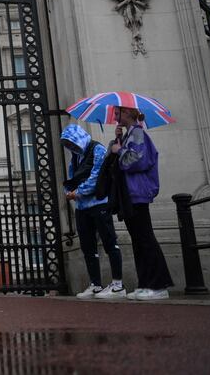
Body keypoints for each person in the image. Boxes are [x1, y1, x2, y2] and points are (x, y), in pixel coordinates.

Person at [109, 107, 174, 300]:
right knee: (138, 241)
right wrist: (118, 141)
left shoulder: (138, 133)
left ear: (128, 113)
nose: (115, 117)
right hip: (130, 194)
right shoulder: (130, 135)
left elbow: (137, 161)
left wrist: (119, 149)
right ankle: (145, 283)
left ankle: (158, 285)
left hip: (138, 193)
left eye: (118, 113)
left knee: (145, 239)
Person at [61, 124, 125, 299]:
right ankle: (95, 284)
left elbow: (98, 175)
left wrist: (78, 192)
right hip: (82, 207)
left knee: (109, 242)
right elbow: (72, 177)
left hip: (99, 203)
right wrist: (69, 192)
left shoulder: (97, 149)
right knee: (88, 246)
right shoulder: (75, 157)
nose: (71, 146)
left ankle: (118, 284)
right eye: (67, 144)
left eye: (71, 142)